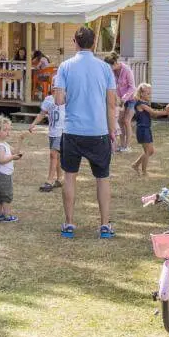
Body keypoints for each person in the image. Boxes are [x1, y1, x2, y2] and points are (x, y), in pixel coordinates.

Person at [54, 26, 118, 239]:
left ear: (75, 42)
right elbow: (111, 104)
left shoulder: (65, 66)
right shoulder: (105, 68)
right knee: (103, 178)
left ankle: (69, 223)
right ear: (94, 43)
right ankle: (105, 225)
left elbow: (59, 100)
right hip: (98, 131)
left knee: (69, 177)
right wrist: (113, 132)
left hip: (72, 130)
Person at [131, 83, 169, 176]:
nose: (149, 95)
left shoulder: (145, 103)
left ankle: (135, 165)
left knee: (150, 151)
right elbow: (154, 113)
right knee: (148, 151)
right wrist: (167, 112)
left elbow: (153, 113)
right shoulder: (141, 104)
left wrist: (166, 112)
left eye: (150, 93)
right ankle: (144, 172)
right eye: (148, 93)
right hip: (142, 129)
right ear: (142, 94)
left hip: (146, 129)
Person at [30, 85, 65, 192]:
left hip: (62, 132)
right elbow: (42, 114)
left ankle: (49, 181)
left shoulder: (66, 98)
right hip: (52, 132)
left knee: (53, 154)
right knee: (57, 156)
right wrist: (33, 124)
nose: (56, 87)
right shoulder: (48, 100)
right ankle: (60, 178)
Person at [0, 117, 22, 222]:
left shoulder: (5, 144)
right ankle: (7, 216)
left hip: (1, 175)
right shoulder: (0, 146)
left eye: (9, 130)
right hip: (3, 176)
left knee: (0, 196)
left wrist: (20, 140)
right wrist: (13, 158)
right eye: (5, 130)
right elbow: (1, 160)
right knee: (6, 196)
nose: (8, 132)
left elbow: (15, 152)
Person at [104, 53, 136, 154]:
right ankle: (121, 145)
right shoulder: (112, 72)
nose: (109, 69)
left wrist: (124, 99)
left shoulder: (126, 70)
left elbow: (132, 87)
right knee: (121, 121)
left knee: (127, 121)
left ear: (116, 63)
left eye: (110, 66)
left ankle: (128, 146)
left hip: (130, 99)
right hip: (119, 100)